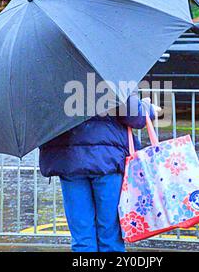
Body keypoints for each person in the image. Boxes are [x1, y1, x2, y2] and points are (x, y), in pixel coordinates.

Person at [39, 92, 155, 252]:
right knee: (110, 236)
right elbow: (134, 117)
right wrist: (148, 108)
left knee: (82, 238)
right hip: (107, 161)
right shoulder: (113, 74)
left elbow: (43, 119)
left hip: (69, 160)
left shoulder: (50, 77)